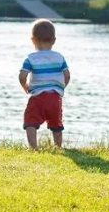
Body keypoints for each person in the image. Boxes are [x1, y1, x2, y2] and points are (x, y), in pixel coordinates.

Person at [19, 19, 70, 149]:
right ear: (53, 40)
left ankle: (33, 147)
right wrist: (61, 87)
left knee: (30, 121)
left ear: (33, 40)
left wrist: (24, 86)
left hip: (38, 97)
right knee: (56, 124)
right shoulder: (60, 57)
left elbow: (22, 76)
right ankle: (58, 147)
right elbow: (67, 75)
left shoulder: (30, 58)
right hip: (55, 98)